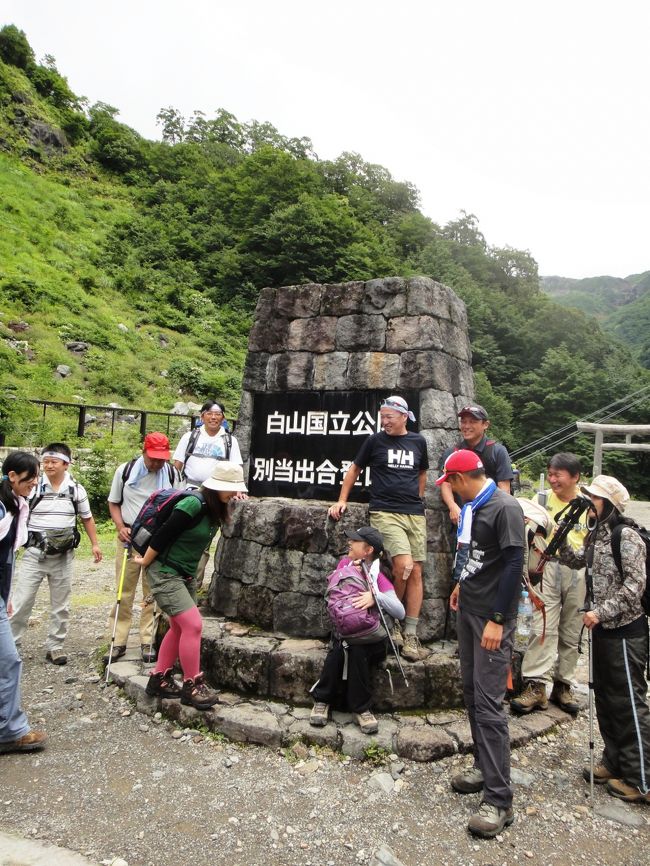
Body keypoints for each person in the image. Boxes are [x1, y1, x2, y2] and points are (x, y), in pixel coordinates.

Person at [441, 449, 525, 839]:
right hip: (469, 609)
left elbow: (512, 564)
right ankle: (483, 766)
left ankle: (499, 799)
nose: (450, 491)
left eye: (449, 484)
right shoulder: (475, 507)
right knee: (472, 694)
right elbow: (476, 557)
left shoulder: (504, 507)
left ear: (460, 479)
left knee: (490, 704)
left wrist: (498, 618)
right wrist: (461, 585)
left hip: (492, 618)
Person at [559, 475, 650, 804]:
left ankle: (642, 779)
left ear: (610, 504)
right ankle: (615, 763)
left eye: (594, 498)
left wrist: (601, 612)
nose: (588, 502)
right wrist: (554, 541)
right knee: (608, 701)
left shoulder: (625, 536)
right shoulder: (596, 536)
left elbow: (634, 587)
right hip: (603, 631)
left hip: (626, 631)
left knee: (630, 703)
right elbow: (577, 562)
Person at [135, 462, 247, 710]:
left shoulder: (216, 507)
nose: (233, 493)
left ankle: (159, 678)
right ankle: (192, 685)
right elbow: (164, 534)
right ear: (216, 487)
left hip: (184, 574)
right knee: (193, 625)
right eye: (230, 488)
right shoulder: (193, 503)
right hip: (165, 571)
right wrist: (145, 561)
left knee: (178, 627)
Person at [328, 396, 429, 662]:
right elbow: (354, 470)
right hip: (385, 510)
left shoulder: (418, 441)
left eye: (389, 417)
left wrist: (417, 499)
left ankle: (410, 632)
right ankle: (393, 619)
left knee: (416, 570)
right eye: (382, 417)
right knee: (403, 565)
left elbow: (422, 473)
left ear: (404, 417)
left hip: (414, 514)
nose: (384, 422)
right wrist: (342, 499)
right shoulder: (375, 441)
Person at [10, 443, 102, 666]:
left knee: (61, 604)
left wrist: (95, 545)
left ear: (66, 464)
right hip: (34, 553)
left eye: (54, 461)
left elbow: (86, 517)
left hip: (63, 556)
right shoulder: (33, 487)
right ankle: (12, 647)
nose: (48, 465)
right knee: (22, 602)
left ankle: (55, 646)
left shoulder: (76, 489)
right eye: (46, 461)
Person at [511, 453, 587, 715]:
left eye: (558, 475)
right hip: (546, 568)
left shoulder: (589, 505)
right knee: (542, 625)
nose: (553, 479)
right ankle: (536, 686)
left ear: (575, 477)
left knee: (573, 628)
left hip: (580, 571)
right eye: (550, 474)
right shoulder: (541, 500)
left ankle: (563, 685)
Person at [309, 526, 405, 734]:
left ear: (368, 549)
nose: (349, 543)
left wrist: (375, 596)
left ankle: (337, 702)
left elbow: (400, 611)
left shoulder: (379, 575)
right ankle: (344, 705)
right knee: (343, 647)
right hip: (347, 633)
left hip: (374, 639)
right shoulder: (345, 565)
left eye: (355, 541)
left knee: (355, 649)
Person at [105, 432, 180, 664]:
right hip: (129, 537)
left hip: (157, 541)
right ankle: (117, 640)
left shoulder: (171, 473)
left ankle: (147, 640)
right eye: (153, 458)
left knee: (152, 592)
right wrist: (119, 526)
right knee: (123, 590)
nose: (157, 463)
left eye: (161, 459)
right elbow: (114, 502)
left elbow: (179, 502)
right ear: (143, 451)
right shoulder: (125, 471)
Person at [0, 451, 47, 754]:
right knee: (8, 660)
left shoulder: (16, 505)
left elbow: (6, 560)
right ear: (12, 476)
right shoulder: (2, 508)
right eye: (29, 478)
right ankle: (9, 731)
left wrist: (5, 599)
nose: (34, 483)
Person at [172, 400, 244, 591]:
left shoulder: (229, 441)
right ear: (202, 416)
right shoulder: (190, 437)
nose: (214, 417)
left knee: (204, 538)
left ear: (223, 418)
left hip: (216, 495)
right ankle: (176, 580)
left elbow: (236, 467)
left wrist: (239, 490)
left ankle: (192, 585)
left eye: (218, 414)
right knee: (182, 533)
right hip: (189, 490)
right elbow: (177, 464)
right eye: (210, 413)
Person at [439, 404, 514, 584]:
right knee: (461, 569)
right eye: (463, 421)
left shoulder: (497, 451)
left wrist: (497, 515)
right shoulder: (452, 452)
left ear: (485, 424)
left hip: (489, 520)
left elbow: (505, 487)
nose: (466, 425)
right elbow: (445, 483)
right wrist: (453, 507)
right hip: (461, 522)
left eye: (472, 421)